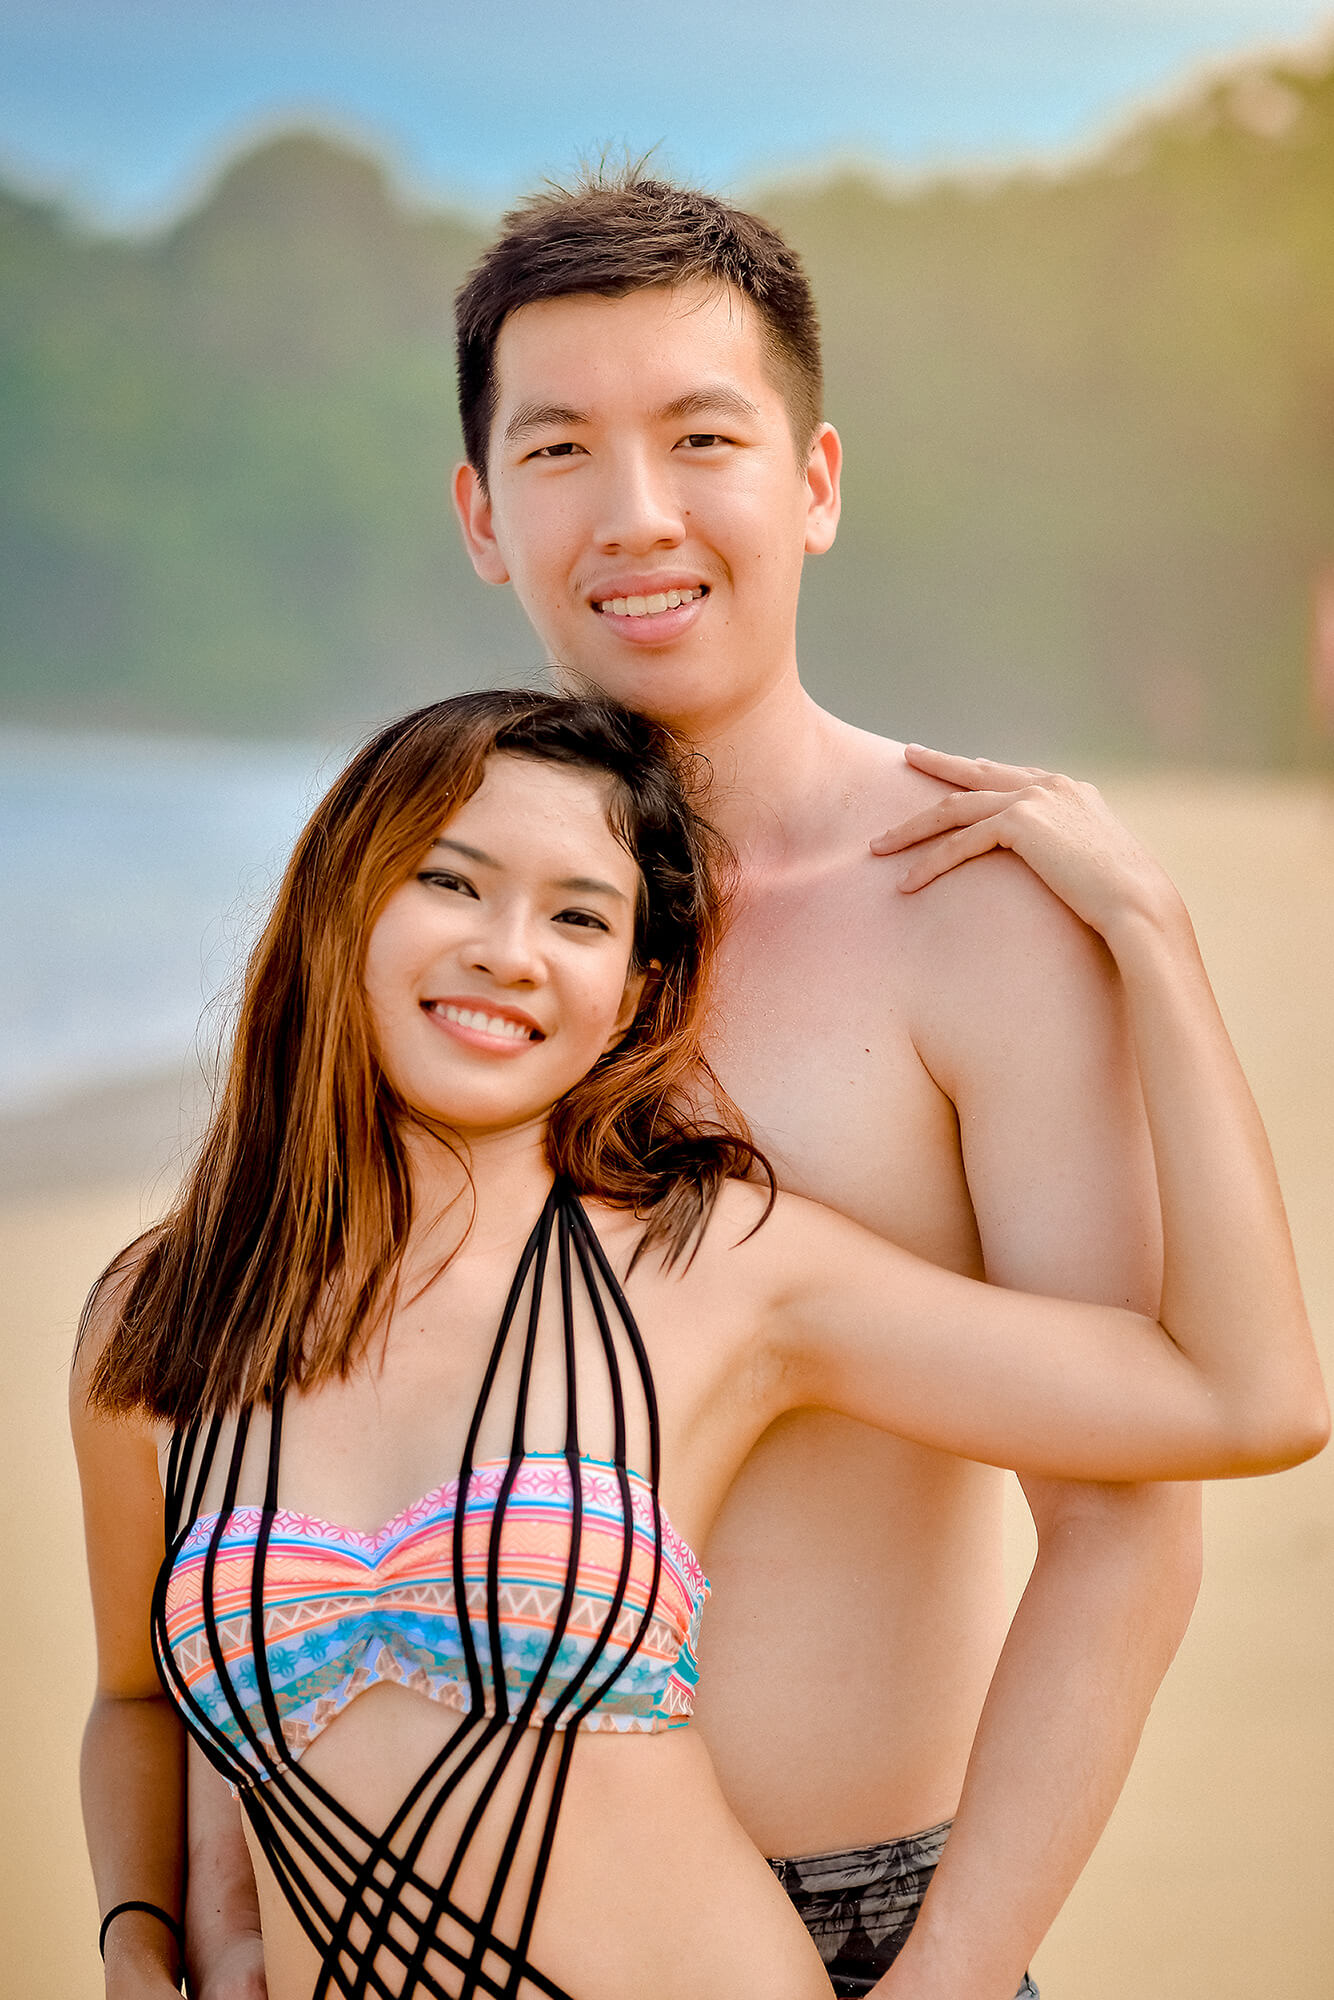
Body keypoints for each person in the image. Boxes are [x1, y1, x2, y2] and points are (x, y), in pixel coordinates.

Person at [182, 173, 1307, 2000]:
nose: (634, 514)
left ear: (813, 482)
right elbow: (294, 1435)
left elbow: (1124, 1522)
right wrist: (207, 1915)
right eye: (557, 449)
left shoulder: (970, 916)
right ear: (481, 513)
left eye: (701, 436)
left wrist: (950, 1975)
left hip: (862, 1934)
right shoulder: (460, 957)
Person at [73, 690, 1324, 2000]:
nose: (510, 952)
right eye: (452, 883)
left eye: (578, 916)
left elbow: (1244, 1399)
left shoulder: (715, 1269)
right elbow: (136, 1702)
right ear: (340, 910)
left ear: (631, 996)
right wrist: (141, 1938)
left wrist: (1149, 933)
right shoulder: (163, 1323)